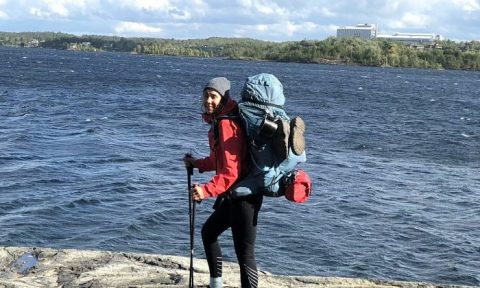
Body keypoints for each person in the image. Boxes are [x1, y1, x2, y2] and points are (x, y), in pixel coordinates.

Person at [183, 77, 263, 288]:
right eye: (206, 95)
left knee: (244, 253)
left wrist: (206, 190)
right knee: (208, 233)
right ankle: (215, 285)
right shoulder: (220, 121)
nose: (208, 100)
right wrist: (196, 163)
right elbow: (218, 161)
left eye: (213, 96)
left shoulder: (227, 124)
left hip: (245, 198)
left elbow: (231, 171)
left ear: (223, 97)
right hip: (233, 194)